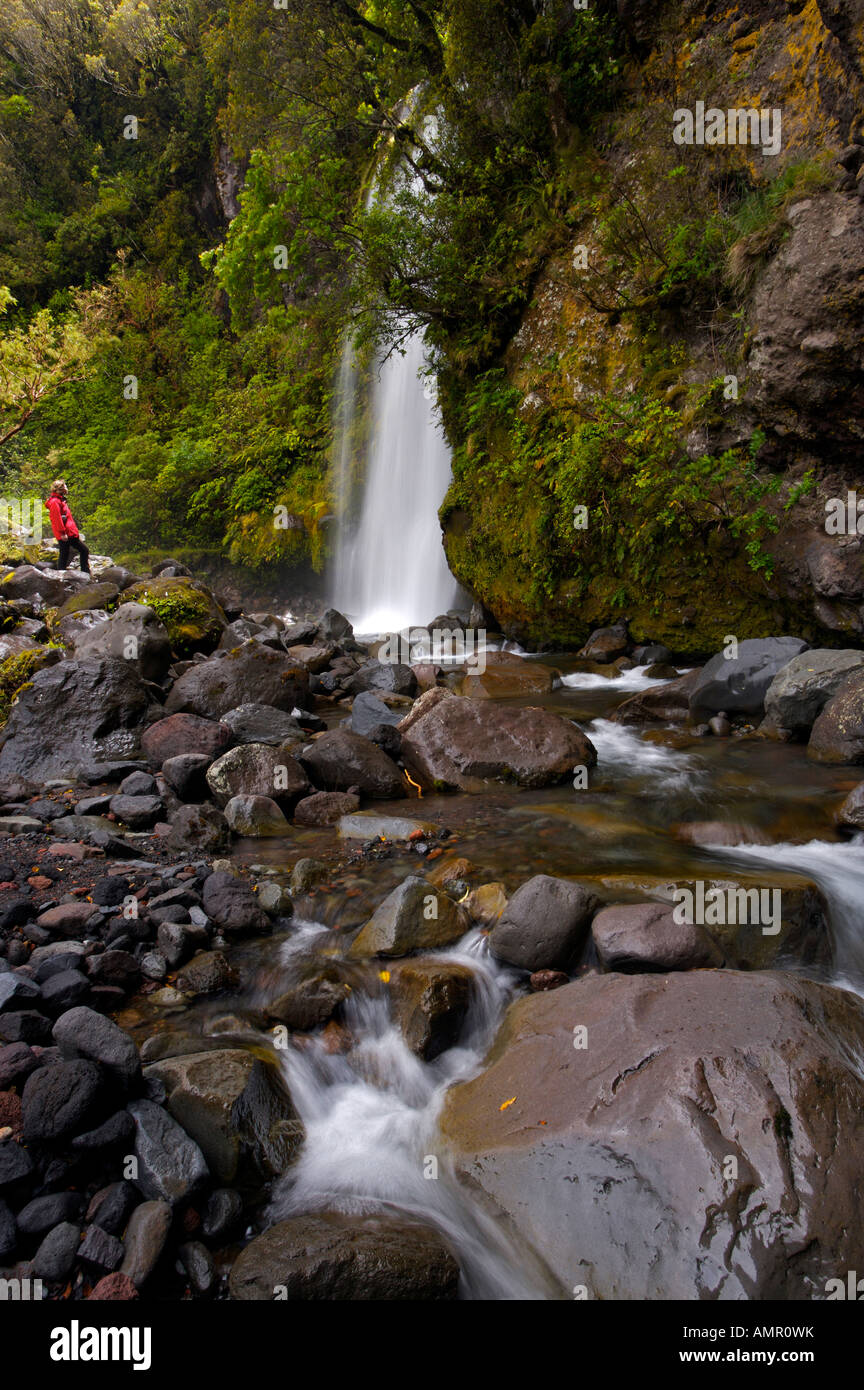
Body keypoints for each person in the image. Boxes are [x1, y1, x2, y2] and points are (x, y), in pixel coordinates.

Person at [45, 478, 90, 574]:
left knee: (67, 553)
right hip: (65, 533)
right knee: (80, 551)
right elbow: (57, 519)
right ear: (60, 489)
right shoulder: (55, 502)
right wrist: (62, 533)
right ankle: (82, 573)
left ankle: (80, 573)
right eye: (65, 486)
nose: (67, 487)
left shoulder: (60, 500)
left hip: (69, 532)